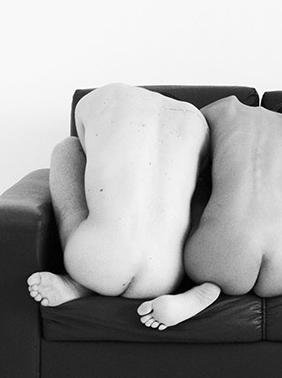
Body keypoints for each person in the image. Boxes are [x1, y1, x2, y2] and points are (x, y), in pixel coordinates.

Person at [138, 95, 282, 330]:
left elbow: (181, 156)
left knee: (197, 189)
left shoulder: (224, 107)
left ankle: (210, 287)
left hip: (223, 251)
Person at [27, 83, 210, 307]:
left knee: (68, 147)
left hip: (97, 259)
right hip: (165, 276)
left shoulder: (98, 98)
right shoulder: (197, 121)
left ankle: (79, 283)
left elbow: (87, 155)